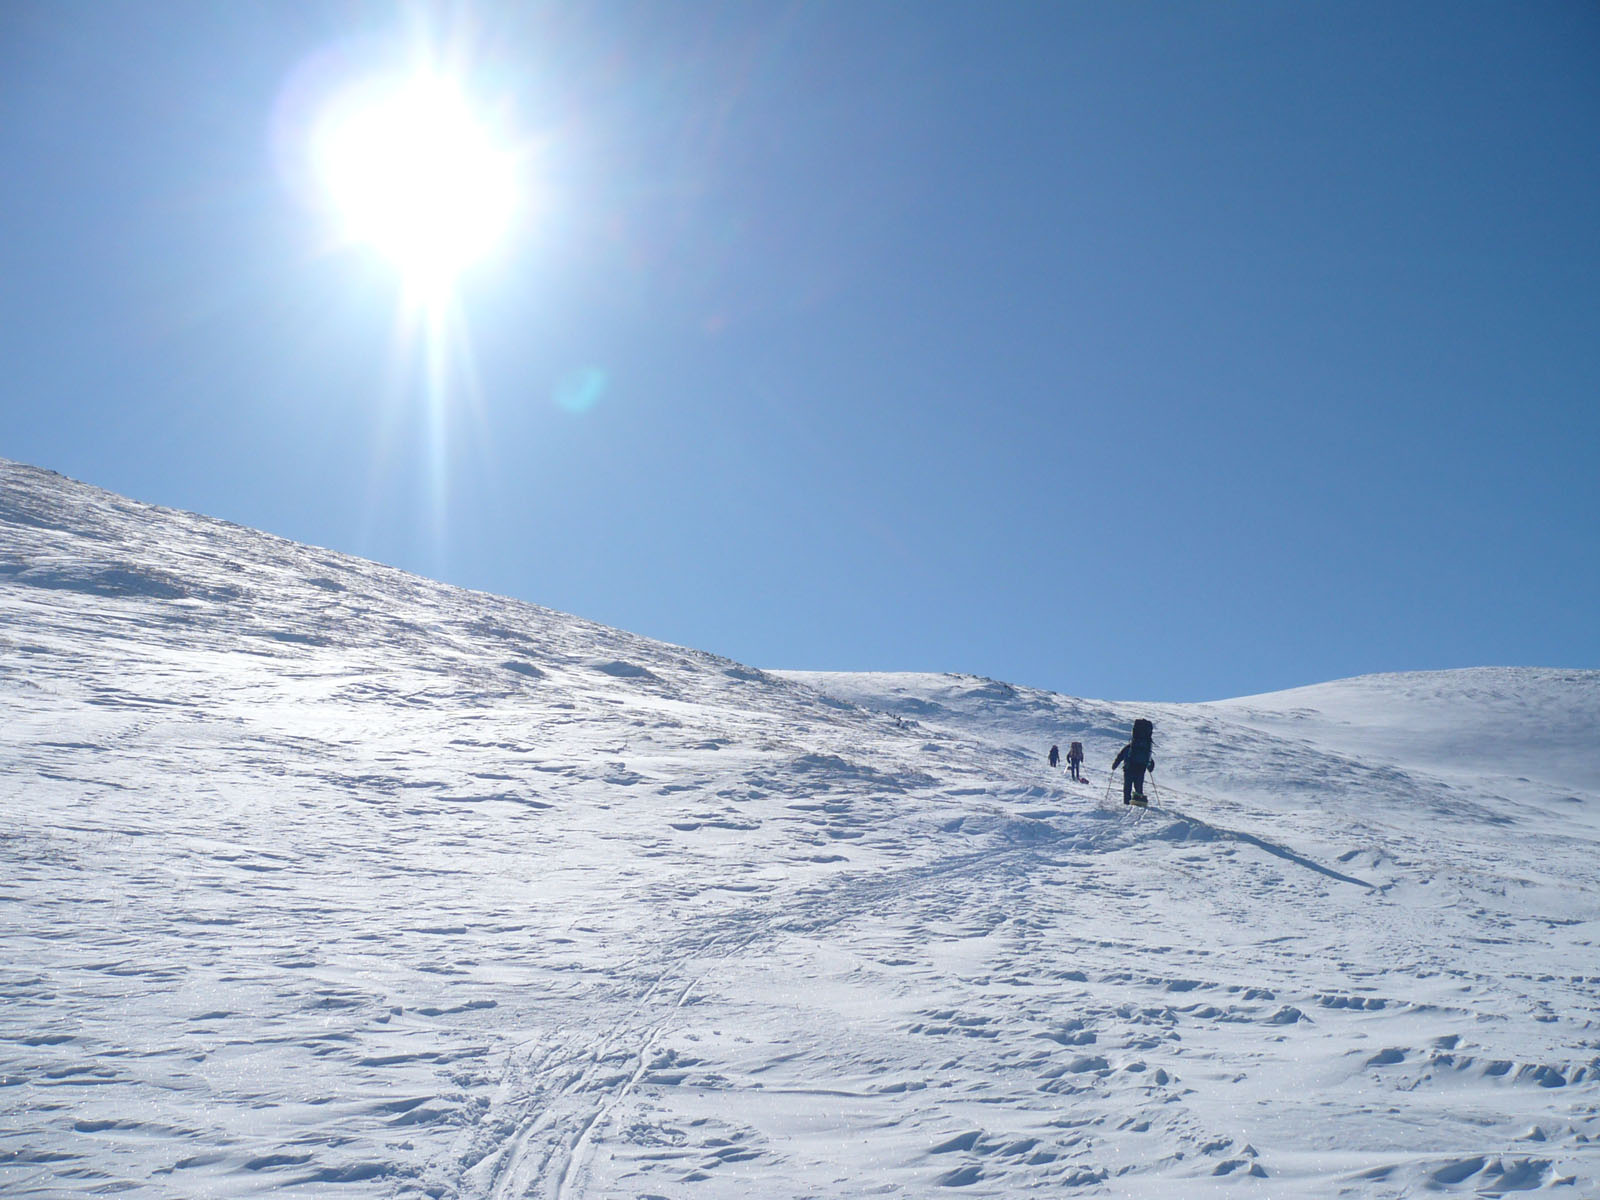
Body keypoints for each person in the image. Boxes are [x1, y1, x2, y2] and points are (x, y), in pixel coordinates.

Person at [1111, 719, 1154, 804]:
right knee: (1138, 786)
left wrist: (1114, 766)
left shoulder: (1130, 747)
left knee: (1127, 787)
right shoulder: (1145, 748)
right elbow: (1149, 759)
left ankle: (1127, 802)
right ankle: (1139, 801)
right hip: (1141, 769)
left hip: (1129, 768)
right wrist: (1150, 768)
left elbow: (1120, 756)